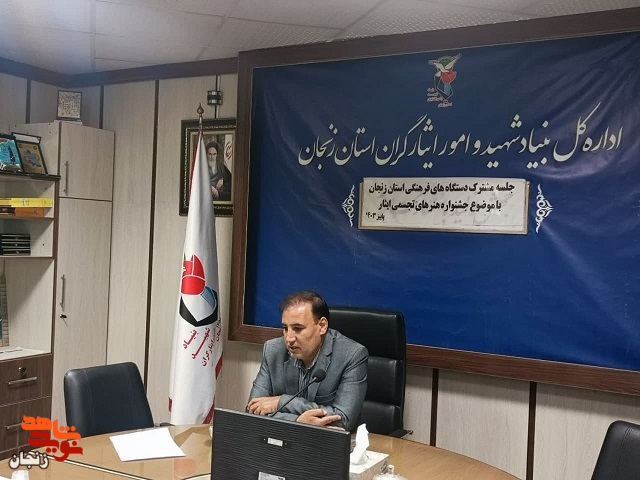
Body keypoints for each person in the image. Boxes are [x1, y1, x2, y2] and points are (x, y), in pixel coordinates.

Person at [247, 291, 368, 431]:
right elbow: (253, 410)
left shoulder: (352, 355)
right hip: (283, 438)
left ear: (322, 326)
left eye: (298, 328)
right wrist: (297, 421)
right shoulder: (273, 350)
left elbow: (343, 419)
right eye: (285, 328)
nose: (289, 338)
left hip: (328, 442)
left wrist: (282, 402)